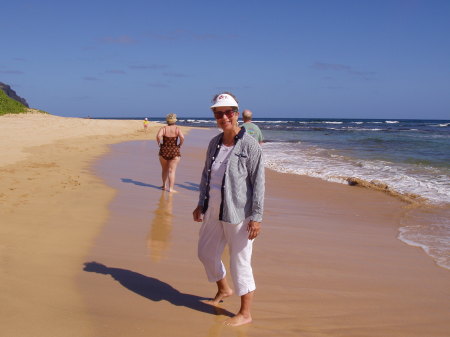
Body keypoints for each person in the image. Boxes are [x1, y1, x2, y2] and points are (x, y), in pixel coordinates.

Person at [193, 92, 265, 327]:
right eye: (218, 113)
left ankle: (245, 312)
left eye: (228, 112)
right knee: (205, 252)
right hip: (213, 208)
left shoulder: (250, 145)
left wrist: (256, 217)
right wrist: (201, 203)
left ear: (236, 113)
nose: (224, 117)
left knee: (240, 262)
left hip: (239, 214)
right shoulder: (214, 143)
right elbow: (206, 175)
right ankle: (224, 288)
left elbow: (259, 183)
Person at [156, 113, 184, 192]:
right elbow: (182, 137)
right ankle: (171, 189)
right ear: (175, 121)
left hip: (164, 150)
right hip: (174, 151)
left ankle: (164, 186)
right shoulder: (177, 129)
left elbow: (158, 136)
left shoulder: (164, 128)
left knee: (164, 169)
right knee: (172, 171)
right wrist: (180, 144)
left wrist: (159, 143)